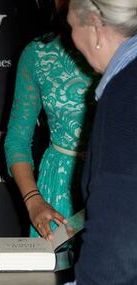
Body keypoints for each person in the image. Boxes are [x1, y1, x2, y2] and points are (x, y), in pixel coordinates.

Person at [4, 0, 98, 240]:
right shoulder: (37, 55)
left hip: (111, 181)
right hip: (56, 190)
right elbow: (17, 141)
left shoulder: (126, 52)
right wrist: (33, 200)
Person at [67, 1, 137, 284]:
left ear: (96, 26)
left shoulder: (124, 98)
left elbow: (115, 259)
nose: (69, 39)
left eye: (71, 27)